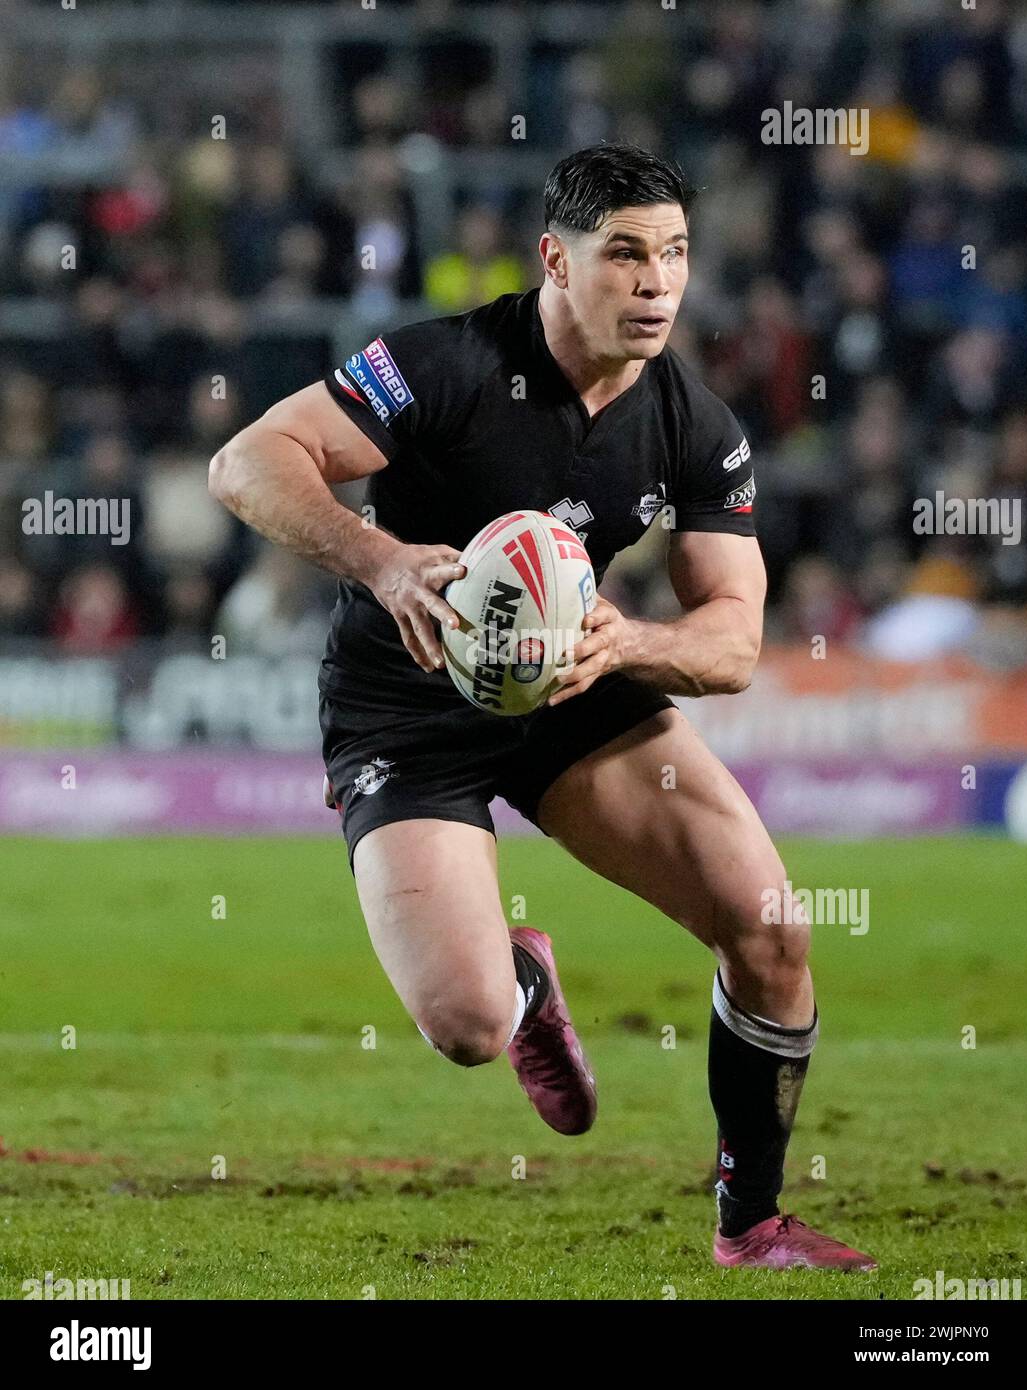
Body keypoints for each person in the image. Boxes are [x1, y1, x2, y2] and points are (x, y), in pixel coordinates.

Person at [209, 144, 875, 1271]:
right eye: (624, 254)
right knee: (467, 1024)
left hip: (576, 690)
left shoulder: (693, 424)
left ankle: (751, 1225)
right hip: (406, 710)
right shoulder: (447, 363)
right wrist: (379, 561)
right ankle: (518, 978)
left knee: (771, 930)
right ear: (554, 261)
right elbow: (246, 460)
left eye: (672, 254)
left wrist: (637, 641)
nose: (656, 282)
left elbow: (735, 640)